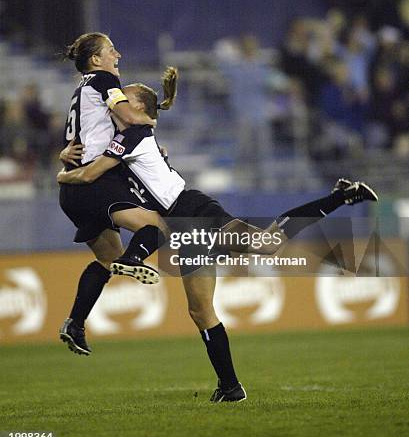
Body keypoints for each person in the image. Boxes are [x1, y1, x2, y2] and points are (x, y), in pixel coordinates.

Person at [58, 71, 378, 402]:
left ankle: (340, 196)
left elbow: (95, 169)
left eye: (124, 97)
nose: (117, 100)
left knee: (266, 245)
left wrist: (62, 174)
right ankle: (230, 387)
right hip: (178, 227)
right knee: (200, 311)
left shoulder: (135, 132)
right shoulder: (125, 137)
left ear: (137, 105)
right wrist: (64, 155)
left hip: (193, 209)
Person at [58, 32, 174, 360]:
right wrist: (148, 123)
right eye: (111, 50)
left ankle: (75, 323)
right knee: (158, 228)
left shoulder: (81, 91)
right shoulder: (104, 78)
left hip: (72, 192)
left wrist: (62, 163)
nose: (118, 55)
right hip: (95, 183)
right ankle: (133, 260)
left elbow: (75, 141)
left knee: (105, 258)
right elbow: (129, 117)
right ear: (96, 59)